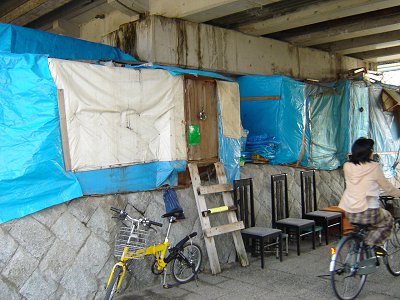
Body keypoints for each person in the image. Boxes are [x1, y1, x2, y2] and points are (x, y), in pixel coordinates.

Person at [339, 137, 400, 256]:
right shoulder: (374, 167)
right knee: (387, 219)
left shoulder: (347, 166)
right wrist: (398, 193)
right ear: (369, 152)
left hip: (350, 211)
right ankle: (371, 243)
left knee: (359, 232)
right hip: (368, 210)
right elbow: (387, 187)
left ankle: (359, 260)